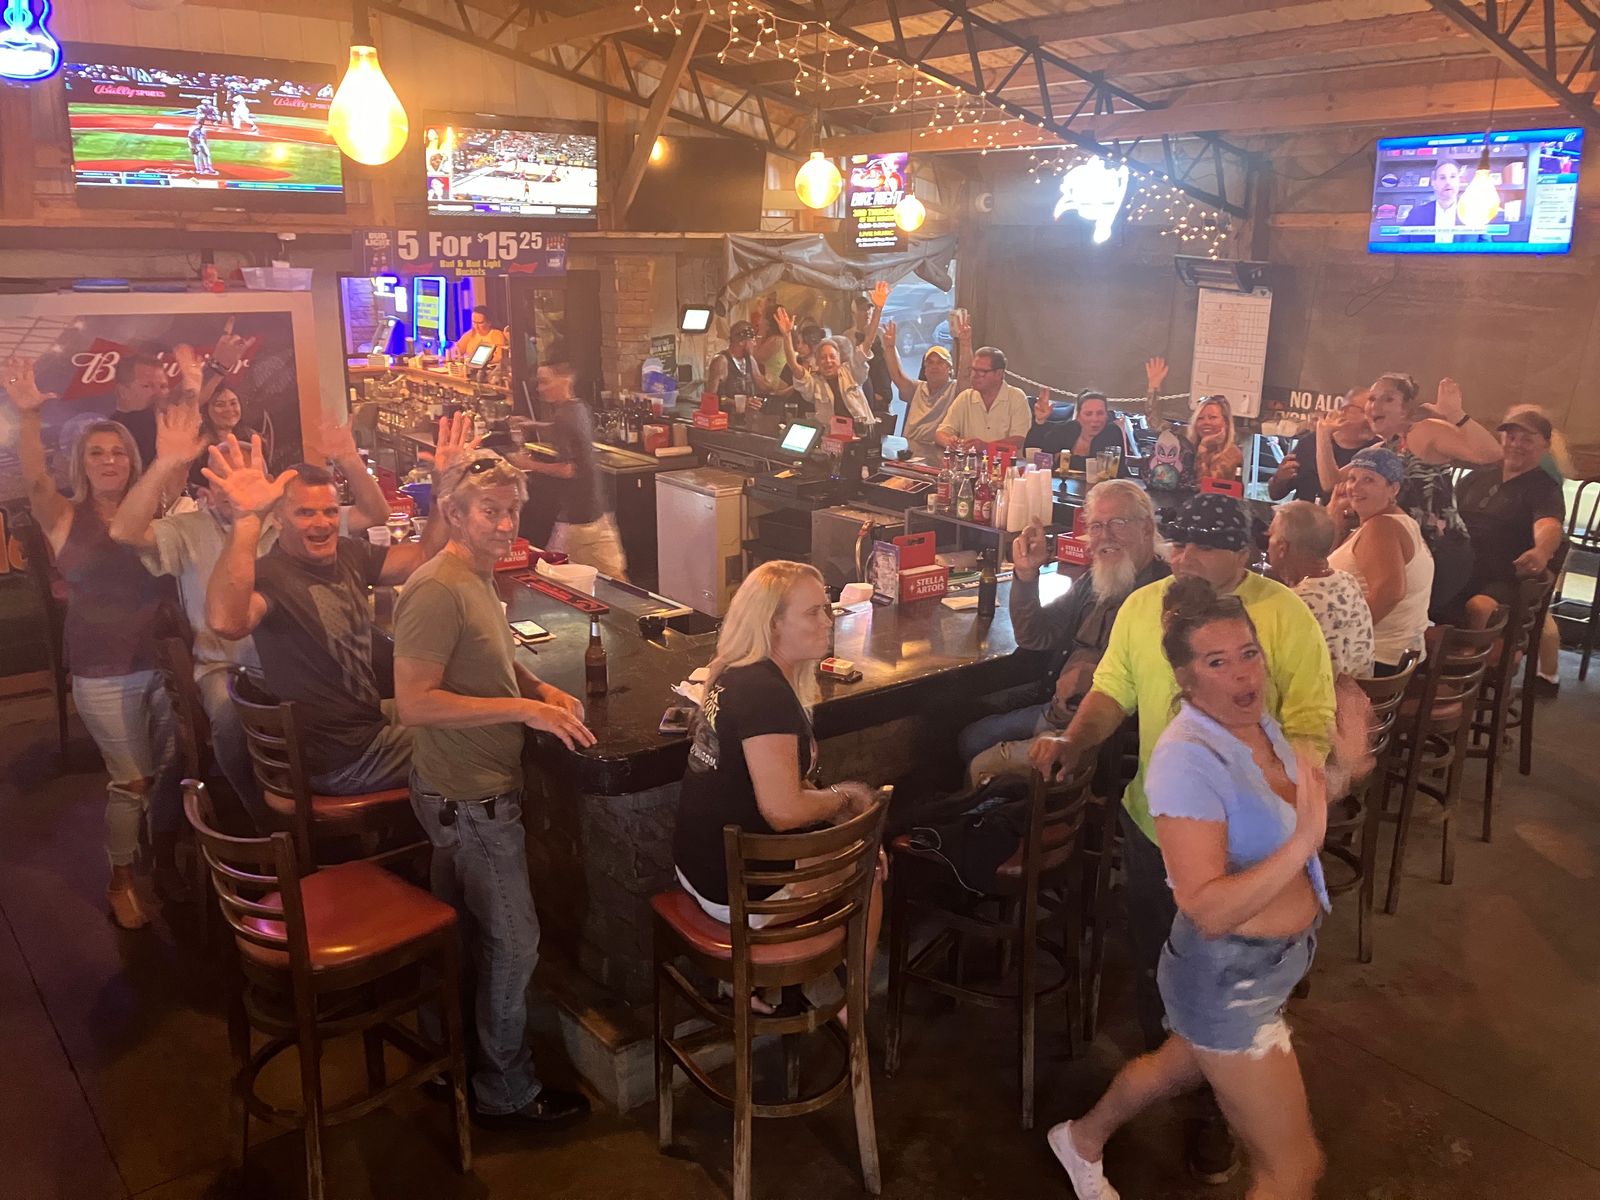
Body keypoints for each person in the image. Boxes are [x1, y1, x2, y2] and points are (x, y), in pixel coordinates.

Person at [1030, 492, 1334, 1184]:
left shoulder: (1284, 616)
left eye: (1202, 547)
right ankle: (1200, 1111)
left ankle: (1196, 1110)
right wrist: (1075, 741)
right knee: (1164, 976)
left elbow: (1310, 720)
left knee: (1230, 984)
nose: (1183, 558)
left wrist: (1296, 802)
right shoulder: (1145, 605)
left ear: (1245, 554)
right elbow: (1113, 687)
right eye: (1179, 543)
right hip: (1156, 831)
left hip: (1251, 846)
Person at [393, 448, 595, 1131]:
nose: (506, 525)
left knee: (463, 932)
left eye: (512, 511)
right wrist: (524, 710)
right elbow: (415, 702)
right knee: (515, 943)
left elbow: (488, 658)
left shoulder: (476, 576)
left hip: (458, 790)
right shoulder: (436, 587)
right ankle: (505, 1089)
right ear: (454, 513)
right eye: (490, 511)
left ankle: (445, 1054)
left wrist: (539, 687)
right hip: (470, 798)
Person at [110, 406, 393, 829]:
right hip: (228, 666)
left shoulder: (290, 524)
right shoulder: (188, 529)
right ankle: (262, 819)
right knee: (229, 716)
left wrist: (349, 460)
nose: (237, 488)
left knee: (380, 674)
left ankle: (359, 810)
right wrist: (165, 463)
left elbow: (375, 515)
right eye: (224, 478)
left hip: (300, 667)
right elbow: (123, 532)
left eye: (250, 477)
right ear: (208, 488)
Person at [203, 416, 473, 795]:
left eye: (330, 511)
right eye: (305, 513)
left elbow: (422, 556)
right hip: (342, 759)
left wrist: (444, 486)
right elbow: (226, 622)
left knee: (470, 704)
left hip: (367, 722)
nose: (323, 523)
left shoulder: (347, 553)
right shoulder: (271, 575)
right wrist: (247, 520)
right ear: (277, 519)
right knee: (479, 741)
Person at [672, 561, 885, 1018]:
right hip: (733, 893)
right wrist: (845, 798)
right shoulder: (765, 694)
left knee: (850, 841)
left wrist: (832, 809)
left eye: (826, 608)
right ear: (772, 624)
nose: (827, 621)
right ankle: (854, 1006)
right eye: (812, 612)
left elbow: (774, 785)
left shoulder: (731, 669)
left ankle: (741, 985)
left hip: (697, 867)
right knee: (870, 862)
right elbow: (783, 810)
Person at [9, 357, 177, 930]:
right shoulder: (64, 515)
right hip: (103, 670)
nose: (109, 461)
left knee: (165, 775)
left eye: (119, 452)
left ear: (133, 461)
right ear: (81, 463)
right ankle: (120, 879)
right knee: (132, 781)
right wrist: (28, 416)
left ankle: (161, 861)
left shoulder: (154, 508)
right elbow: (35, 480)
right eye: (97, 453)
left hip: (163, 663)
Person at [958, 481, 1168, 784]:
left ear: (1147, 528)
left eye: (1117, 523)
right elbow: (1035, 636)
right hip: (1056, 709)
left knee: (982, 765)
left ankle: (986, 810)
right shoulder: (1096, 580)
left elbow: (1162, 683)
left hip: (1101, 736)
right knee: (970, 738)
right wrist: (1026, 573)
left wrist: (1096, 676)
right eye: (1096, 526)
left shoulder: (1165, 595)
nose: (1105, 536)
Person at [1364, 372, 1500, 616]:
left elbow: (1491, 454)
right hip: (1406, 554)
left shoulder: (1425, 431)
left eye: (1388, 399)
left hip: (1440, 552)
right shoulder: (1382, 449)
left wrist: (1456, 414)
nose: (1375, 405)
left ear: (1406, 409)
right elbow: (1333, 482)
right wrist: (1323, 435)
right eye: (1372, 399)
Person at [514, 346, 627, 579]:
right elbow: (564, 430)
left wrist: (527, 463)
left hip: (577, 521)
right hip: (596, 512)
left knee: (550, 575)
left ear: (565, 380)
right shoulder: (578, 407)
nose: (540, 388)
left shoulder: (564, 416)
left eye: (545, 382)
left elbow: (569, 469)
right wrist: (533, 425)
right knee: (615, 577)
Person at [1327, 447, 1434, 676]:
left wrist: (1347, 636)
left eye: (1369, 480)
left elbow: (1390, 593)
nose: (1355, 487)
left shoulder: (1381, 527)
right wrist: (1335, 519)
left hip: (1376, 660)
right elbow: (1326, 569)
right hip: (1398, 657)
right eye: (1352, 478)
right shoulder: (1397, 521)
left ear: (1393, 488)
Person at [1268, 501, 1375, 678]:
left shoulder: (1294, 603)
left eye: (1270, 535)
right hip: (1360, 690)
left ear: (1282, 548)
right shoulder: (1348, 580)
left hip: (1323, 694)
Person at [883, 313, 970, 461]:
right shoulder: (917, 388)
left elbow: (966, 375)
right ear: (925, 369)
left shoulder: (955, 390)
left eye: (940, 362)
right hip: (909, 450)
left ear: (950, 369)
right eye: (930, 362)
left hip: (937, 453)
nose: (934, 366)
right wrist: (890, 347)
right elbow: (897, 376)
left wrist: (965, 344)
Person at [775, 307, 876, 430]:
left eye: (832, 357)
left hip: (862, 433)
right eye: (823, 358)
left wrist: (878, 309)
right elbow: (794, 366)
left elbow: (867, 343)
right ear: (817, 362)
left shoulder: (851, 372)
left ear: (839, 359)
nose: (828, 361)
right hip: (830, 436)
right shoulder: (814, 383)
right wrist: (787, 336)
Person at [1269, 389, 1378, 503]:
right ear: (1345, 411)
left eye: (1376, 413)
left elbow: (1331, 486)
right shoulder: (1309, 442)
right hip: (1304, 512)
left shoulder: (1376, 450)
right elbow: (1275, 494)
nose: (1372, 419)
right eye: (1366, 411)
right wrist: (1280, 479)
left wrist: (1323, 434)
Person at [935, 346, 1032, 449]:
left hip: (1003, 459)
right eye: (973, 370)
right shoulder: (965, 397)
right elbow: (940, 433)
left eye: (982, 372)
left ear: (999, 374)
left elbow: (1018, 441)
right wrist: (949, 442)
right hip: (969, 459)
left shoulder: (1017, 398)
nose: (974, 375)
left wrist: (986, 447)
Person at [1025, 390, 1133, 474]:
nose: (1095, 419)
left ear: (1106, 415)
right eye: (1088, 414)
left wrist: (1063, 458)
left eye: (1100, 413)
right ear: (1078, 416)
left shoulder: (1112, 432)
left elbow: (1103, 468)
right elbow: (1036, 454)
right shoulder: (1067, 429)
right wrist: (1039, 421)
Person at [1399, 160, 1486, 245]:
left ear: (1459, 181)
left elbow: (1487, 247)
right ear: (1434, 183)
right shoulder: (1416, 214)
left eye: (1453, 177)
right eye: (1442, 178)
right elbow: (1401, 247)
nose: (1448, 182)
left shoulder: (1475, 213)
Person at [845, 283, 893, 416]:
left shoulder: (881, 333)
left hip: (880, 389)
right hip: (858, 390)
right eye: (862, 310)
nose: (866, 313)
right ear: (854, 314)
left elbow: (889, 363)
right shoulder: (847, 336)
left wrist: (883, 392)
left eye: (869, 308)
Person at [705, 319, 778, 404]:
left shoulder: (750, 360)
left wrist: (780, 386)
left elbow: (762, 385)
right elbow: (710, 397)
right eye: (752, 340)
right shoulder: (721, 361)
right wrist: (736, 402)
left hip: (748, 412)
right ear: (742, 342)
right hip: (727, 412)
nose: (755, 344)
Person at [1187, 395, 1242, 485]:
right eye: (1200, 418)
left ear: (1226, 422)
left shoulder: (1231, 453)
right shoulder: (1189, 448)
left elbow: (1206, 487)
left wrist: (1203, 448)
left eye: (1213, 417)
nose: (1206, 422)